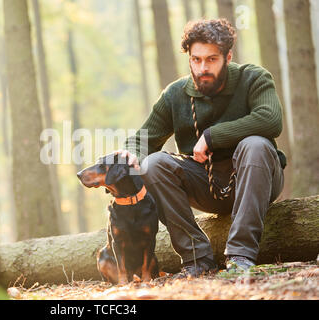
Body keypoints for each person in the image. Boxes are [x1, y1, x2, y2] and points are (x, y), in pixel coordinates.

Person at [116, 19, 285, 277]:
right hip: (206, 183)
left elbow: (271, 119)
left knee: (255, 145)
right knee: (153, 164)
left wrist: (211, 136)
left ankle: (240, 256)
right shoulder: (175, 94)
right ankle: (197, 259)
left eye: (211, 59)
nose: (203, 67)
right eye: (196, 60)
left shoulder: (254, 78)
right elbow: (142, 139)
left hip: (256, 175)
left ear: (228, 57)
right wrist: (131, 153)